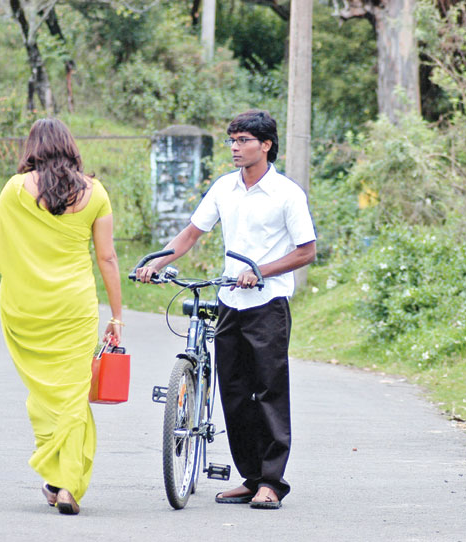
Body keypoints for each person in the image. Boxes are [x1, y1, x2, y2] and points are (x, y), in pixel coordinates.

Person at [136, 109, 316, 509]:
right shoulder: (223, 188)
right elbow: (191, 234)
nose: (235, 148)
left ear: (266, 145)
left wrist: (261, 271)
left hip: (267, 304)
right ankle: (250, 478)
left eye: (243, 140)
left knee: (268, 391)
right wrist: (156, 263)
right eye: (232, 140)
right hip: (229, 303)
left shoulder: (287, 194)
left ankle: (272, 482)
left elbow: (307, 251)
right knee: (233, 393)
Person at [0, 118, 123, 515]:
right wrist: (117, 316)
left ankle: (56, 476)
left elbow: (0, 248)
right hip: (74, 306)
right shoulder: (95, 192)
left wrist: (24, 279)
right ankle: (67, 485)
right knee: (73, 392)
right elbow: (107, 258)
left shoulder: (15, 190)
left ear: (32, 148)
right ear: (71, 147)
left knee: (43, 393)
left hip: (26, 305)